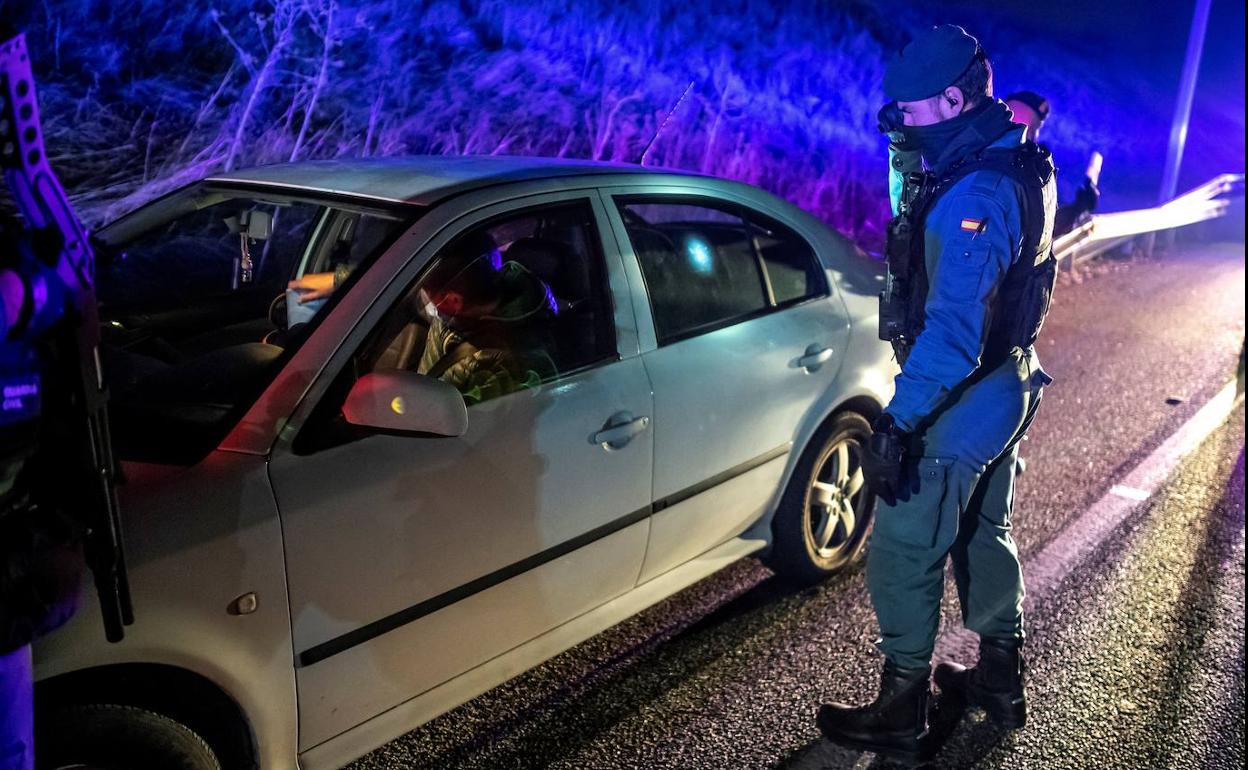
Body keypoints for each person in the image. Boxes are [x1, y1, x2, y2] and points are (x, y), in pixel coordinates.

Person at [816, 25, 1057, 764]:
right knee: (984, 531)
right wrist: (905, 147)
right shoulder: (1007, 153)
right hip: (1008, 379)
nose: (902, 118)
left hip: (964, 395)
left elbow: (952, 335)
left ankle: (901, 709)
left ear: (954, 99)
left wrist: (897, 424)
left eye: (913, 109)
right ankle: (999, 678)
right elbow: (916, 208)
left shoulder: (977, 194)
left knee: (904, 544)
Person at [1004, 90, 1101, 237]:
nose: (1035, 138)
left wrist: (1078, 208)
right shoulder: (1015, 171)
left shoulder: (1030, 170)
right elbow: (1040, 229)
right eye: (1033, 130)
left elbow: (1044, 224)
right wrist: (1078, 208)